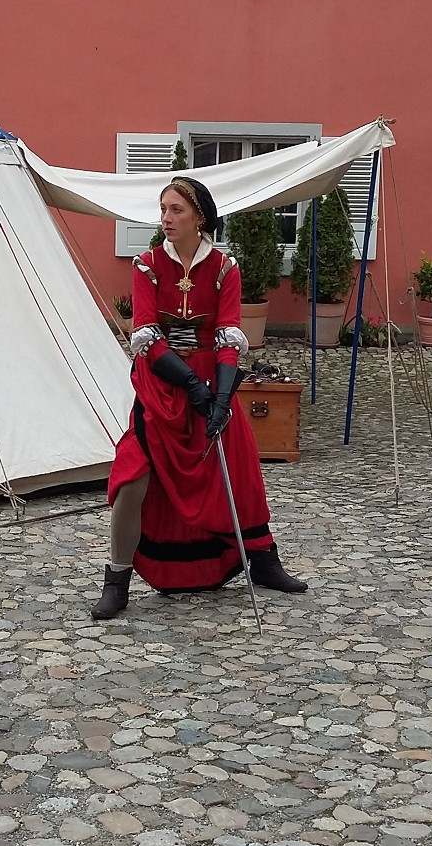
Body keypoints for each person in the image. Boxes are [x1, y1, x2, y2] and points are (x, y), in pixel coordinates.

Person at [91, 177, 307, 620]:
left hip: (213, 382)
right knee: (132, 475)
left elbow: (230, 335)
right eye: (163, 209)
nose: (165, 218)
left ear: (199, 217)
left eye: (176, 210)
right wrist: (189, 385)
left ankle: (263, 562)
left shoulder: (225, 267)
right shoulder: (147, 265)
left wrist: (222, 395)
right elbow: (146, 336)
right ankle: (117, 577)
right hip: (163, 387)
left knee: (240, 474)